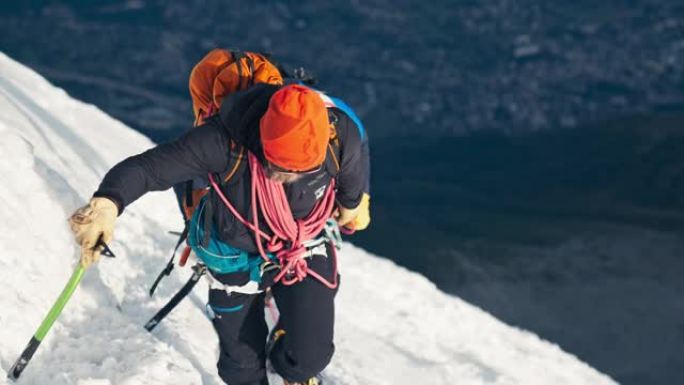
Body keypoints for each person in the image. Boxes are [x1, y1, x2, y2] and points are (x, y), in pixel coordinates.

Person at [68, 83, 370, 385]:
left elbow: (355, 159)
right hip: (234, 253)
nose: (284, 178)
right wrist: (108, 203)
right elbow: (149, 169)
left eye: (297, 172)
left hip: (301, 244)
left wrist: (354, 201)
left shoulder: (338, 133)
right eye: (277, 166)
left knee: (311, 355)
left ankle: (290, 369)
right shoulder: (222, 142)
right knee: (242, 369)